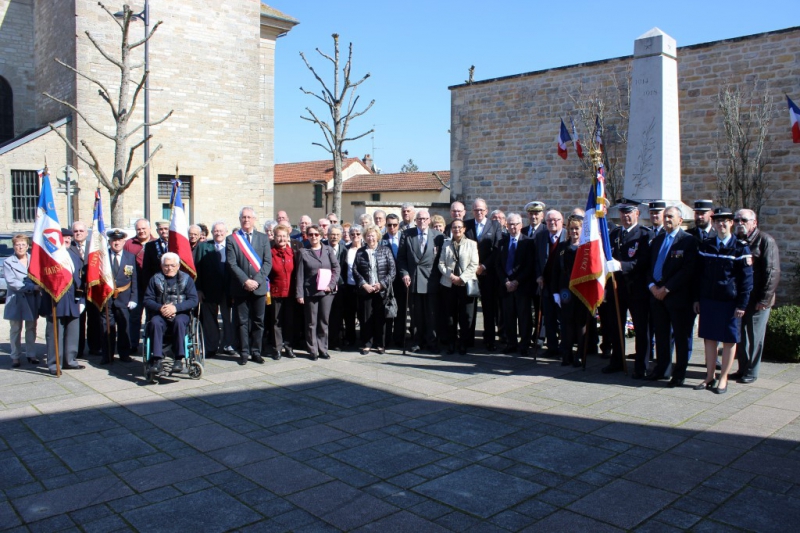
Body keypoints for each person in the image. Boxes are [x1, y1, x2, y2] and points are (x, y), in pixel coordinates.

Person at [693, 207, 753, 394]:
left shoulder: (740, 248)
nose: (721, 224)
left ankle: (723, 378)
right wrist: (697, 298)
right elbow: (698, 275)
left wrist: (742, 304)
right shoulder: (706, 245)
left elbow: (747, 280)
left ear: (731, 223)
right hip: (709, 300)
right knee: (709, 339)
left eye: (725, 220)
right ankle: (709, 376)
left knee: (728, 341)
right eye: (718, 220)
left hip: (730, 302)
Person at [648, 207, 698, 387]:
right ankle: (661, 369)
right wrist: (652, 286)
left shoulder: (688, 241)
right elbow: (650, 265)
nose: (667, 219)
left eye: (671, 216)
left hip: (677, 297)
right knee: (661, 335)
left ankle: (679, 374)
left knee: (680, 337)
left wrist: (666, 289)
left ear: (680, 219)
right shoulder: (658, 239)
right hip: (657, 296)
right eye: (665, 216)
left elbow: (687, 270)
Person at [602, 199, 652, 376]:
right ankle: (617, 360)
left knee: (641, 329)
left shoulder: (644, 235)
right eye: (623, 213)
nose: (625, 217)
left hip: (637, 289)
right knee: (615, 326)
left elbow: (643, 261)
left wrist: (622, 265)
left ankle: (641, 366)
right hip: (618, 288)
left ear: (637, 214)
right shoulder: (614, 234)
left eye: (629, 213)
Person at [732, 209, 780, 383]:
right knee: (741, 336)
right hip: (741, 299)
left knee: (754, 337)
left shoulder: (765, 241)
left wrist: (764, 299)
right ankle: (742, 369)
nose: (739, 223)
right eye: (736, 220)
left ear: (754, 222)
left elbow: (772, 271)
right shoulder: (736, 241)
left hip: (758, 299)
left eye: (744, 220)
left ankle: (752, 372)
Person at [226, 207, 272, 365]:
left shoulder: (263, 238)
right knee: (242, 321)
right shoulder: (232, 239)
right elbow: (232, 264)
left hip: (259, 288)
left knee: (259, 321)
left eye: (249, 217)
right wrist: (245, 281)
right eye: (243, 217)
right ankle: (244, 352)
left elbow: (267, 263)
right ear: (240, 219)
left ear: (254, 219)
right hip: (241, 287)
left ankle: (256, 351)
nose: (246, 220)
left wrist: (257, 281)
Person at [143, 252, 199, 375]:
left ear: (178, 265)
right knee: (155, 322)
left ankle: (179, 359)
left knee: (179, 322)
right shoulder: (155, 279)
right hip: (160, 313)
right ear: (161, 266)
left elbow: (194, 300)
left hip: (181, 313)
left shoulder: (186, 279)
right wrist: (161, 308)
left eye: (173, 265)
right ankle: (157, 359)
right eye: (166, 265)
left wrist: (175, 308)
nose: (169, 268)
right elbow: (147, 300)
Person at [40, 228, 85, 375]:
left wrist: (82, 300)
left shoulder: (74, 255)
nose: (67, 240)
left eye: (68, 238)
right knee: (55, 334)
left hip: (73, 300)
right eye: (63, 238)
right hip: (57, 301)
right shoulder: (50, 257)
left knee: (73, 332)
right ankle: (54, 363)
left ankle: (70, 360)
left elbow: (80, 279)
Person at [398, 209, 444, 352]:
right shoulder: (407, 235)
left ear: (429, 220)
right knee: (416, 314)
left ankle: (432, 342)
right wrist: (405, 273)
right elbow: (401, 258)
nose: (422, 221)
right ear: (415, 220)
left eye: (424, 219)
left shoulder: (438, 236)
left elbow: (442, 259)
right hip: (414, 279)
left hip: (431, 280)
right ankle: (417, 341)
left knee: (431, 313)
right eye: (419, 219)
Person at [295, 224, 341, 360]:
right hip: (310, 292)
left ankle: (323, 349)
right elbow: (300, 274)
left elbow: (336, 268)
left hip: (327, 292)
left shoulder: (328, 250)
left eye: (316, 234)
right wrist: (299, 294)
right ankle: (312, 350)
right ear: (307, 236)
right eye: (311, 234)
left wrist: (331, 285)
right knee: (311, 322)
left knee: (323, 321)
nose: (314, 237)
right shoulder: (303, 252)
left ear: (321, 235)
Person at [465, 198, 503, 350]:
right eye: (476, 210)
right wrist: (473, 267)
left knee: (489, 308)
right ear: (472, 211)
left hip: (488, 274)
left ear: (486, 211)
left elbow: (497, 248)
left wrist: (484, 266)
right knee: (470, 308)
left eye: (481, 209)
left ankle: (489, 340)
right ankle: (468, 339)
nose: (479, 212)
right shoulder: (467, 225)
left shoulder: (495, 225)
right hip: (471, 273)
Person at [551, 215, 590, 366]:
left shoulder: (586, 248)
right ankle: (566, 354)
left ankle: (580, 354)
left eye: (577, 228)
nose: (574, 231)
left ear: (582, 230)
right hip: (565, 291)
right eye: (571, 228)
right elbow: (556, 271)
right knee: (566, 324)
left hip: (581, 291)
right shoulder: (562, 248)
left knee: (580, 325)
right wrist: (555, 292)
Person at [438, 218, 478, 354]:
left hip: (465, 284)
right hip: (449, 284)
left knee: (466, 315)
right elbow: (441, 263)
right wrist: (451, 276)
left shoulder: (472, 244)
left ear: (464, 229)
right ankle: (451, 342)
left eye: (459, 227)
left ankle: (464, 343)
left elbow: (474, 264)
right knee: (450, 315)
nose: (457, 230)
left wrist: (461, 278)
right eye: (454, 227)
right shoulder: (446, 244)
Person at [495, 213, 533, 355]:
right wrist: (506, 282)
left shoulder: (528, 242)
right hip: (506, 287)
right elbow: (498, 265)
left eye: (516, 224)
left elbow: (529, 266)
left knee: (524, 318)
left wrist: (517, 281)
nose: (513, 227)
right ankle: (511, 343)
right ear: (507, 226)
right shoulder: (502, 243)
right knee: (508, 317)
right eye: (510, 224)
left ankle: (524, 345)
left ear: (521, 225)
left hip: (522, 286)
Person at [353, 226, 395, 354]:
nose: (370, 238)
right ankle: (367, 343)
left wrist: (381, 284)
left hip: (381, 291)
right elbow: (355, 270)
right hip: (366, 290)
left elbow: (392, 271)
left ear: (377, 236)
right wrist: (364, 284)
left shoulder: (386, 250)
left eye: (373, 235)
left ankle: (380, 344)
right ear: (365, 238)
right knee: (365, 318)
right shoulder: (360, 252)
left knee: (380, 318)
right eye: (368, 235)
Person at [195, 221, 234, 357]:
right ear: (212, 233)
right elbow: (197, 270)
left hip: (227, 290)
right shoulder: (203, 247)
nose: (218, 233)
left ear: (226, 232)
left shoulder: (231, 247)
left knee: (227, 318)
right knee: (210, 320)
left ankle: (228, 345)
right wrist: (198, 289)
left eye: (221, 231)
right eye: (216, 231)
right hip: (208, 290)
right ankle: (211, 347)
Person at [100, 229, 138, 365]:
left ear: (124, 241)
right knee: (107, 328)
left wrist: (134, 298)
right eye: (114, 240)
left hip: (124, 298)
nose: (116, 243)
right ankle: (107, 355)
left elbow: (134, 279)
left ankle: (124, 354)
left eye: (119, 240)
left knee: (124, 328)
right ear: (109, 242)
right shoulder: (102, 257)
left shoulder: (130, 257)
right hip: (107, 299)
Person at [3, 234, 40, 368]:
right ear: (14, 246)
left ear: (27, 246)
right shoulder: (8, 262)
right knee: (15, 329)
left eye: (23, 244)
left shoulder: (34, 260)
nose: (20, 247)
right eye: (17, 244)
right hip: (16, 300)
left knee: (31, 328)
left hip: (32, 300)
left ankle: (31, 354)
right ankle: (15, 356)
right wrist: (32, 287)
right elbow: (12, 282)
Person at [534, 209, 566, 355]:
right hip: (546, 284)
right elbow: (535, 259)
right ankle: (552, 347)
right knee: (549, 317)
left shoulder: (567, 236)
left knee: (564, 318)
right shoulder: (540, 236)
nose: (552, 223)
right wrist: (538, 275)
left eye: (556, 220)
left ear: (562, 221)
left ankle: (565, 348)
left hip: (563, 286)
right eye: (549, 221)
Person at [123, 218, 155, 353]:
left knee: (151, 317)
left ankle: (150, 343)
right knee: (134, 317)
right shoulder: (129, 244)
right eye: (138, 229)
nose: (141, 231)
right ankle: (133, 344)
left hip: (152, 288)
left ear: (149, 229)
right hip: (136, 287)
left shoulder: (156, 243)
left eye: (143, 229)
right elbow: (125, 264)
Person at [268, 225, 297, 360]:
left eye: (284, 236)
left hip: (290, 293)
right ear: (274, 237)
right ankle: (277, 348)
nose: (281, 238)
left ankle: (289, 347)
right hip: (275, 293)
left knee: (290, 321)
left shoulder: (292, 252)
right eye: (279, 236)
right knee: (276, 321)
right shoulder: (269, 253)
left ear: (288, 237)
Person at [382, 214, 407, 347]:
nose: (392, 227)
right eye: (389, 225)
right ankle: (386, 339)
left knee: (401, 311)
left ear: (399, 225)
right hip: (387, 280)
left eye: (395, 225)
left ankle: (399, 339)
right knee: (387, 309)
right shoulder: (382, 239)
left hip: (402, 280)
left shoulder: (405, 238)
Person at [342, 225, 364, 346]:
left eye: (358, 234)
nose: (355, 236)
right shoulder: (346, 249)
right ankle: (350, 338)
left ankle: (363, 338)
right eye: (352, 234)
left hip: (363, 287)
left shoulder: (366, 249)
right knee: (349, 314)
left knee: (362, 314)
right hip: (349, 286)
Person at [327, 224, 347, 351]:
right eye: (332, 234)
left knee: (337, 315)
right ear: (328, 235)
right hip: (326, 287)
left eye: (337, 234)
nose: (334, 237)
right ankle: (325, 340)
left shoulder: (345, 249)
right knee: (326, 315)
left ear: (341, 236)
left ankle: (336, 341)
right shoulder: (323, 248)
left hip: (341, 288)